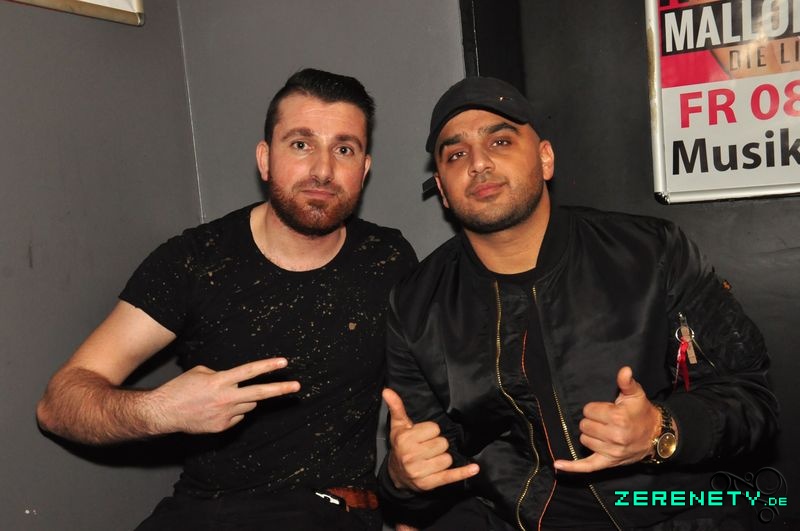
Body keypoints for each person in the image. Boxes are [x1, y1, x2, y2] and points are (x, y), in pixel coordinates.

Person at [376, 76, 778, 530]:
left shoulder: (650, 252)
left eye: (500, 141)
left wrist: (661, 429)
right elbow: (427, 467)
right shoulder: (416, 304)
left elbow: (753, 399)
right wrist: (401, 480)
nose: (479, 163)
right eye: (455, 154)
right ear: (443, 189)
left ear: (545, 158)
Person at [36, 68, 417, 531]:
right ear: (265, 160)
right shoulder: (196, 261)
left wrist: (411, 513)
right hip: (205, 513)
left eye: (343, 149)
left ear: (364, 169)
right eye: (301, 144)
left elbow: (421, 402)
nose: (322, 169)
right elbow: (58, 405)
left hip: (331, 509)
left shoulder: (387, 258)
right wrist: (161, 411)